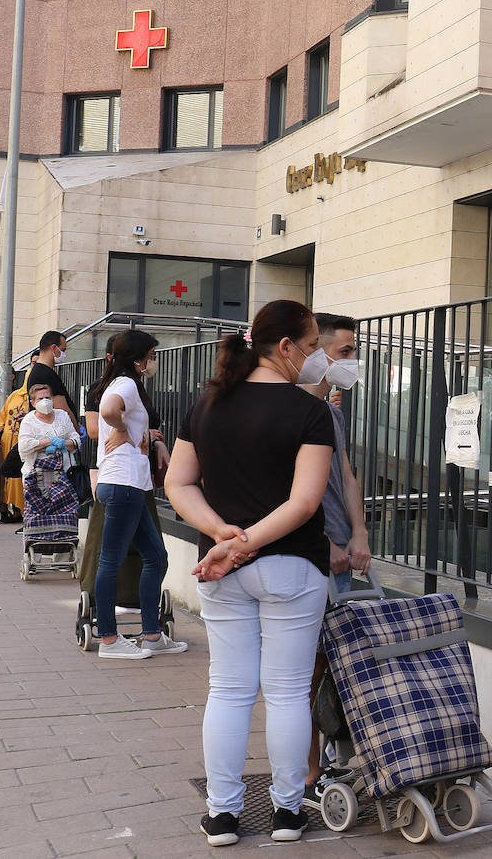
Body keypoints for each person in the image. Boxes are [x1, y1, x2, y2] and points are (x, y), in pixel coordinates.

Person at [164, 300, 335, 848]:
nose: (317, 358)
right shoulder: (311, 413)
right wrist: (245, 543)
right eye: (312, 347)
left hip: (222, 573)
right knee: (287, 693)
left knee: (229, 690)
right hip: (292, 567)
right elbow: (305, 503)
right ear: (285, 347)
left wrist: (222, 537)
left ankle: (222, 816)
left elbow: (178, 483)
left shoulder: (208, 404)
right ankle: (287, 812)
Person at [296, 313, 372, 801]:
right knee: (309, 668)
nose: (353, 360)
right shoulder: (290, 413)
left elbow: (345, 474)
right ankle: (305, 774)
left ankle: (333, 757)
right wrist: (325, 544)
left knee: (348, 660)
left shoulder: (334, 414)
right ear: (318, 353)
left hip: (347, 553)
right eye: (345, 352)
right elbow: (286, 492)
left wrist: (360, 531)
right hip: (313, 554)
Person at [91, 329, 185, 661]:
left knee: (156, 556)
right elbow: (108, 410)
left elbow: (115, 413)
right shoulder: (127, 385)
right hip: (123, 484)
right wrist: (121, 429)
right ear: (138, 360)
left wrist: (139, 433)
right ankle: (109, 639)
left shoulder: (123, 384)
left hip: (129, 484)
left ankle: (152, 635)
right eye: (152, 355)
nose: (154, 361)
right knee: (111, 562)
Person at [17, 384, 80, 479]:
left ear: (52, 399)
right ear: (33, 403)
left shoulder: (63, 415)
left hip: (65, 472)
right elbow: (24, 447)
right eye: (40, 399)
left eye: (47, 398)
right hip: (37, 475)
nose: (45, 401)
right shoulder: (29, 420)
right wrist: (49, 442)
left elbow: (76, 440)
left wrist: (62, 444)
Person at [28, 331, 77, 419]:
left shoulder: (38, 371)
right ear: (54, 348)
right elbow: (63, 410)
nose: (64, 354)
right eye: (63, 350)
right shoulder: (46, 374)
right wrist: (75, 431)